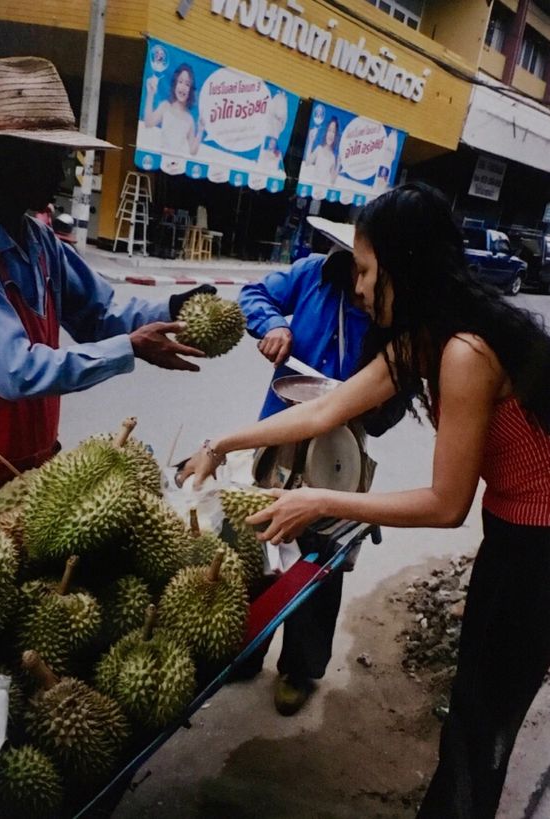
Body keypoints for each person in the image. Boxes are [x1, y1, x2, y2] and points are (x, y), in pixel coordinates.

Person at [178, 182, 550, 819]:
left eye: (367, 269)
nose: (356, 284)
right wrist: (222, 441)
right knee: (474, 699)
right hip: (513, 524)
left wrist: (321, 500)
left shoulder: (464, 353)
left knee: (482, 719)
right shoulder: (424, 338)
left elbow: (444, 504)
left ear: (404, 268)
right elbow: (324, 407)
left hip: (537, 544)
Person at [0, 56, 213, 509]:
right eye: (48, 157)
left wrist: (171, 308)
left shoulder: (40, 243)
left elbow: (101, 315)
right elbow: (14, 370)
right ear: (0, 158)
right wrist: (130, 348)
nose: (62, 172)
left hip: (33, 474)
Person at [235, 216, 370, 714]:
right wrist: (273, 326)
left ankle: (300, 668)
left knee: (319, 560)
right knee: (262, 545)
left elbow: (393, 406)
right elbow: (253, 293)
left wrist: (367, 403)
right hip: (279, 434)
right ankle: (248, 648)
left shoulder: (390, 314)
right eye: (356, 268)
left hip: (339, 454)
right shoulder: (312, 274)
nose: (362, 285)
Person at [143, 63, 204, 156]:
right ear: (175, 84)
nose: (183, 87)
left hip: (178, 165)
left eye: (187, 84)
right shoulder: (165, 106)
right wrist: (150, 94)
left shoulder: (189, 119)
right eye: (180, 82)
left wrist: (200, 130)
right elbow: (148, 123)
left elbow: (193, 151)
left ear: (190, 90)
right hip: (161, 162)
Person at [304, 116, 340, 186]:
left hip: (322, 190)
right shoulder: (319, 149)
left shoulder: (332, 157)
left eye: (334, 132)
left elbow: (332, 181)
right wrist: (311, 142)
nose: (331, 134)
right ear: (326, 132)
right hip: (313, 186)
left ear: (336, 136)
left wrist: (338, 164)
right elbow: (307, 162)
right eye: (329, 130)